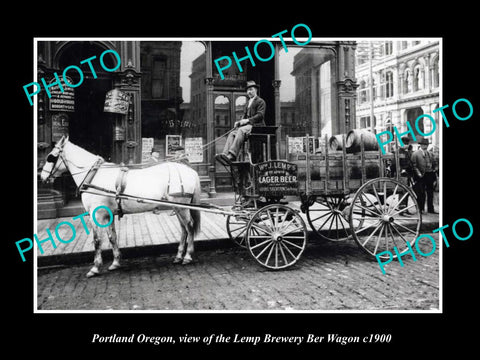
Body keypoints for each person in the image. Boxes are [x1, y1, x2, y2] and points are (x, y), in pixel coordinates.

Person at [215, 80, 266, 165]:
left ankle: (232, 155)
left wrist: (247, 120)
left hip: (257, 127)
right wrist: (239, 122)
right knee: (232, 133)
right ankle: (225, 154)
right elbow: (244, 116)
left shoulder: (260, 101)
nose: (249, 92)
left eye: (251, 89)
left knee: (241, 130)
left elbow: (260, 115)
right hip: (248, 127)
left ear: (256, 90)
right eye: (248, 90)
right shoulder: (248, 103)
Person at [411, 138, 438, 214]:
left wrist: (434, 169)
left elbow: (435, 163)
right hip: (420, 176)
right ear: (420, 145)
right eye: (423, 144)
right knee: (421, 193)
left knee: (430, 193)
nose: (425, 146)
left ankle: (430, 209)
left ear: (428, 145)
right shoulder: (415, 154)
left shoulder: (430, 154)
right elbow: (414, 165)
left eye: (426, 145)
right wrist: (418, 173)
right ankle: (420, 209)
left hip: (429, 175)